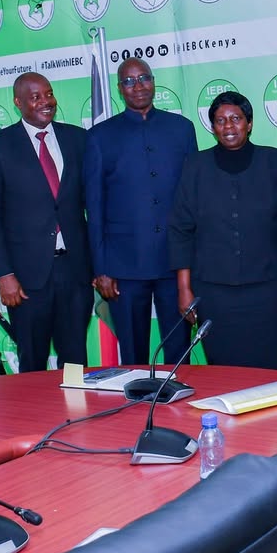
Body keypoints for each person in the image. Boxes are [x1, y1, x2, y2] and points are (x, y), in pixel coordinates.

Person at [168, 91, 277, 372]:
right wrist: (184, 288)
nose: (228, 126)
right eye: (220, 120)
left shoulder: (276, 161)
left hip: (273, 290)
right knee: (228, 375)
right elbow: (181, 229)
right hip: (215, 295)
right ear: (212, 127)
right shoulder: (195, 166)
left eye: (236, 118)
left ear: (250, 123)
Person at [85, 57, 197, 365]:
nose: (138, 86)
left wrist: (194, 258)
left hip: (175, 263)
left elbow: (193, 198)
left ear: (153, 82)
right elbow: (94, 207)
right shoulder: (100, 137)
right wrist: (101, 269)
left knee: (178, 354)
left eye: (144, 78)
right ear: (119, 88)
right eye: (129, 81)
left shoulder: (181, 129)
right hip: (124, 266)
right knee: (133, 356)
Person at [0, 72, 91, 373]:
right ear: (18, 102)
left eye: (49, 94)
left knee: (75, 360)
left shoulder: (78, 139)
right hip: (25, 277)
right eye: (36, 97)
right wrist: (4, 274)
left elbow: (92, 203)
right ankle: (34, 407)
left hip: (74, 271)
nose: (46, 102)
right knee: (32, 361)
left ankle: (75, 404)